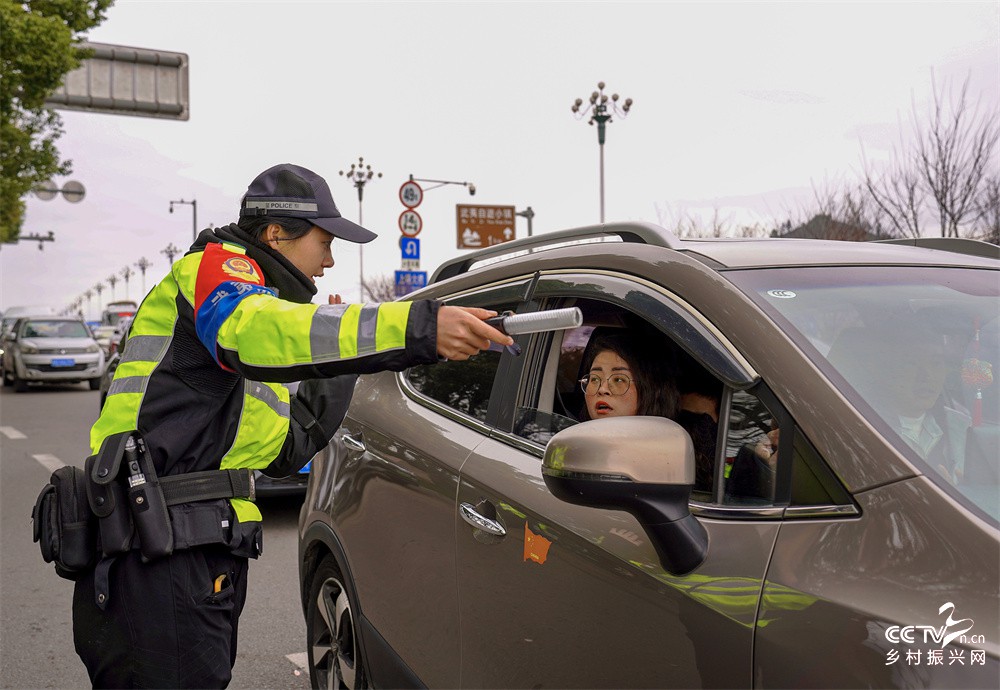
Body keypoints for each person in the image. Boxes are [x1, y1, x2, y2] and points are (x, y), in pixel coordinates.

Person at [72, 163, 513, 689]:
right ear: (276, 234)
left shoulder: (259, 326)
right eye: (325, 243)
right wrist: (417, 327)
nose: (329, 261)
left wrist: (345, 364)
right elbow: (254, 333)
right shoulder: (217, 269)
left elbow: (283, 449)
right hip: (154, 542)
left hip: (192, 544)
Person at [578, 329, 677, 420]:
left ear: (652, 389)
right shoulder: (574, 432)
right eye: (594, 379)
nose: (602, 390)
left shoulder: (671, 434)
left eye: (618, 380)